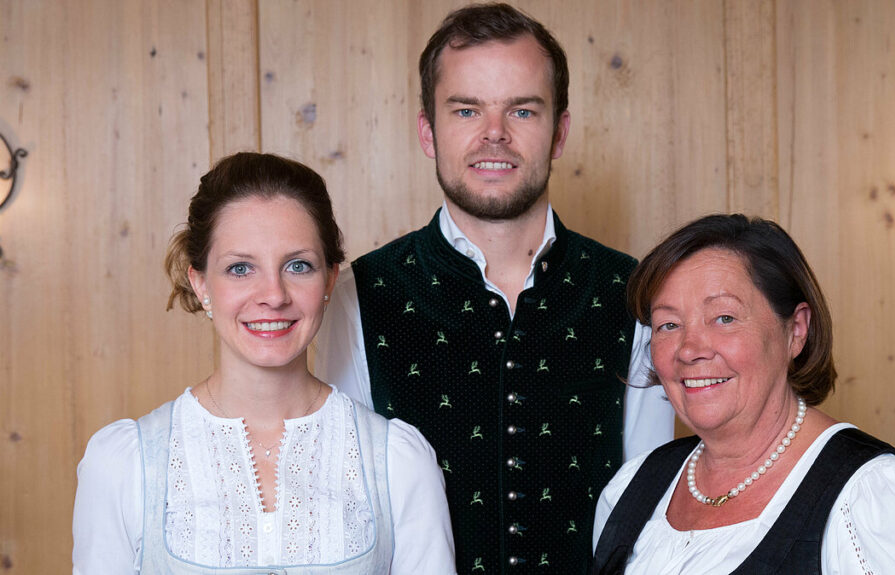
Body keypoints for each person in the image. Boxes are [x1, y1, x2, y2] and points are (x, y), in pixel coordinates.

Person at [316, 3, 674, 573]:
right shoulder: (360, 293)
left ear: (558, 132)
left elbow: (648, 511)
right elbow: (349, 508)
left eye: (522, 111)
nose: (494, 135)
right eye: (466, 110)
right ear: (427, 131)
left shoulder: (633, 292)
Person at [72, 153, 456, 574]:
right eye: (240, 268)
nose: (274, 294)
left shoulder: (398, 462)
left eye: (298, 266)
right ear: (200, 283)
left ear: (329, 280)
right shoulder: (123, 466)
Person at [592, 214, 895, 574]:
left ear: (795, 330)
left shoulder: (875, 500)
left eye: (723, 317)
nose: (690, 350)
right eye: (668, 325)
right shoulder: (633, 488)